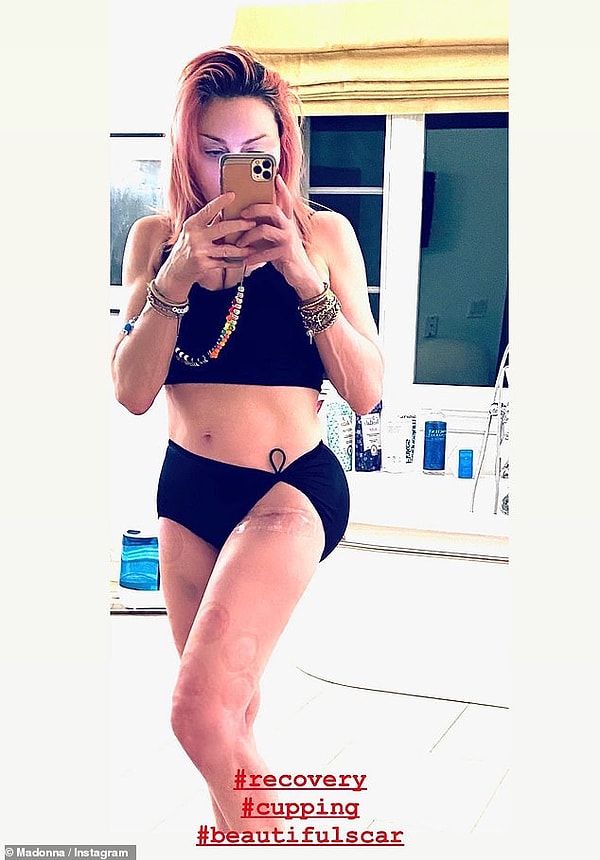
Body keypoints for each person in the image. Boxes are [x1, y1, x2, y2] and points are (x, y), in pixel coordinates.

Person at [111, 45, 383, 832]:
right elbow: (131, 391)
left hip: (289, 487)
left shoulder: (323, 234)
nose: (234, 168)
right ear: (184, 151)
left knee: (197, 714)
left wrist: (302, 275)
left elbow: (366, 391)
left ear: (281, 152)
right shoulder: (154, 239)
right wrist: (174, 279)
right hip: (187, 492)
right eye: (214, 150)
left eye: (255, 151)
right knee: (228, 721)